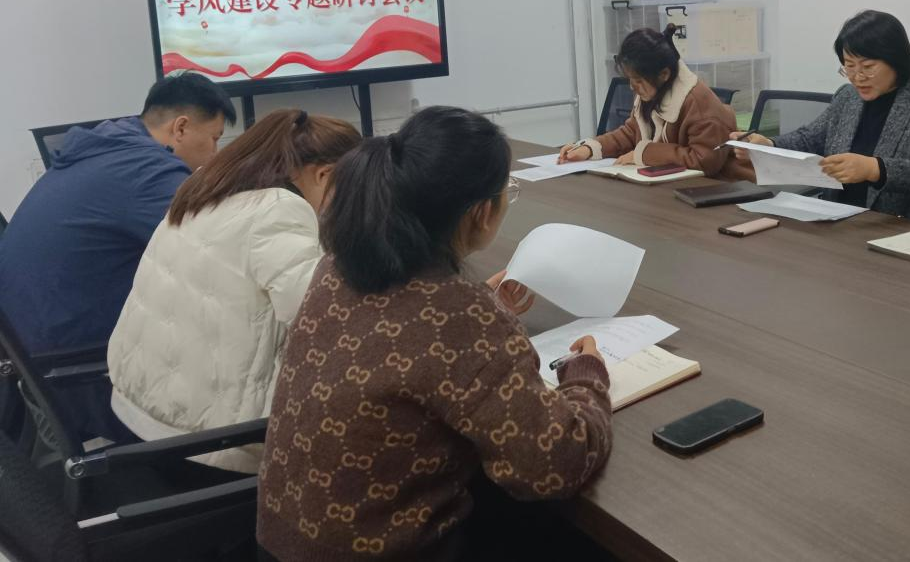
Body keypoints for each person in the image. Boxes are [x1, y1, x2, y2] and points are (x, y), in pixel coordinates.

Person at [257, 106, 612, 561]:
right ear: (482, 212)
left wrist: (484, 313)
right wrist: (586, 375)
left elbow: (402, 337)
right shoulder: (459, 315)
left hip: (281, 541)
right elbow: (554, 462)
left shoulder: (337, 266)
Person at [108, 109, 361, 472]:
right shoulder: (278, 209)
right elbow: (322, 315)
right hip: (210, 444)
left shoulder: (206, 189)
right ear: (325, 174)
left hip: (140, 414)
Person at [0, 73, 235, 355]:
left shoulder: (111, 146)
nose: (215, 153)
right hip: (65, 354)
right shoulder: (147, 169)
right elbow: (216, 249)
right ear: (181, 128)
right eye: (214, 138)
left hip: (25, 336)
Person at [732, 10, 910, 221]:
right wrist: (769, 145)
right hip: (836, 218)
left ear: (896, 60)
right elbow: (811, 138)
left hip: (896, 225)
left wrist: (874, 168)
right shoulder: (848, 96)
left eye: (867, 67)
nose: (857, 77)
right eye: (849, 66)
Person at [559, 25, 738, 177]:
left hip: (712, 192)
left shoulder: (698, 103)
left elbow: (704, 161)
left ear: (664, 74)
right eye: (630, 79)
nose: (632, 87)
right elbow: (631, 133)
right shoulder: (653, 91)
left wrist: (644, 154)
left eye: (638, 80)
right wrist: (590, 148)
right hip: (667, 188)